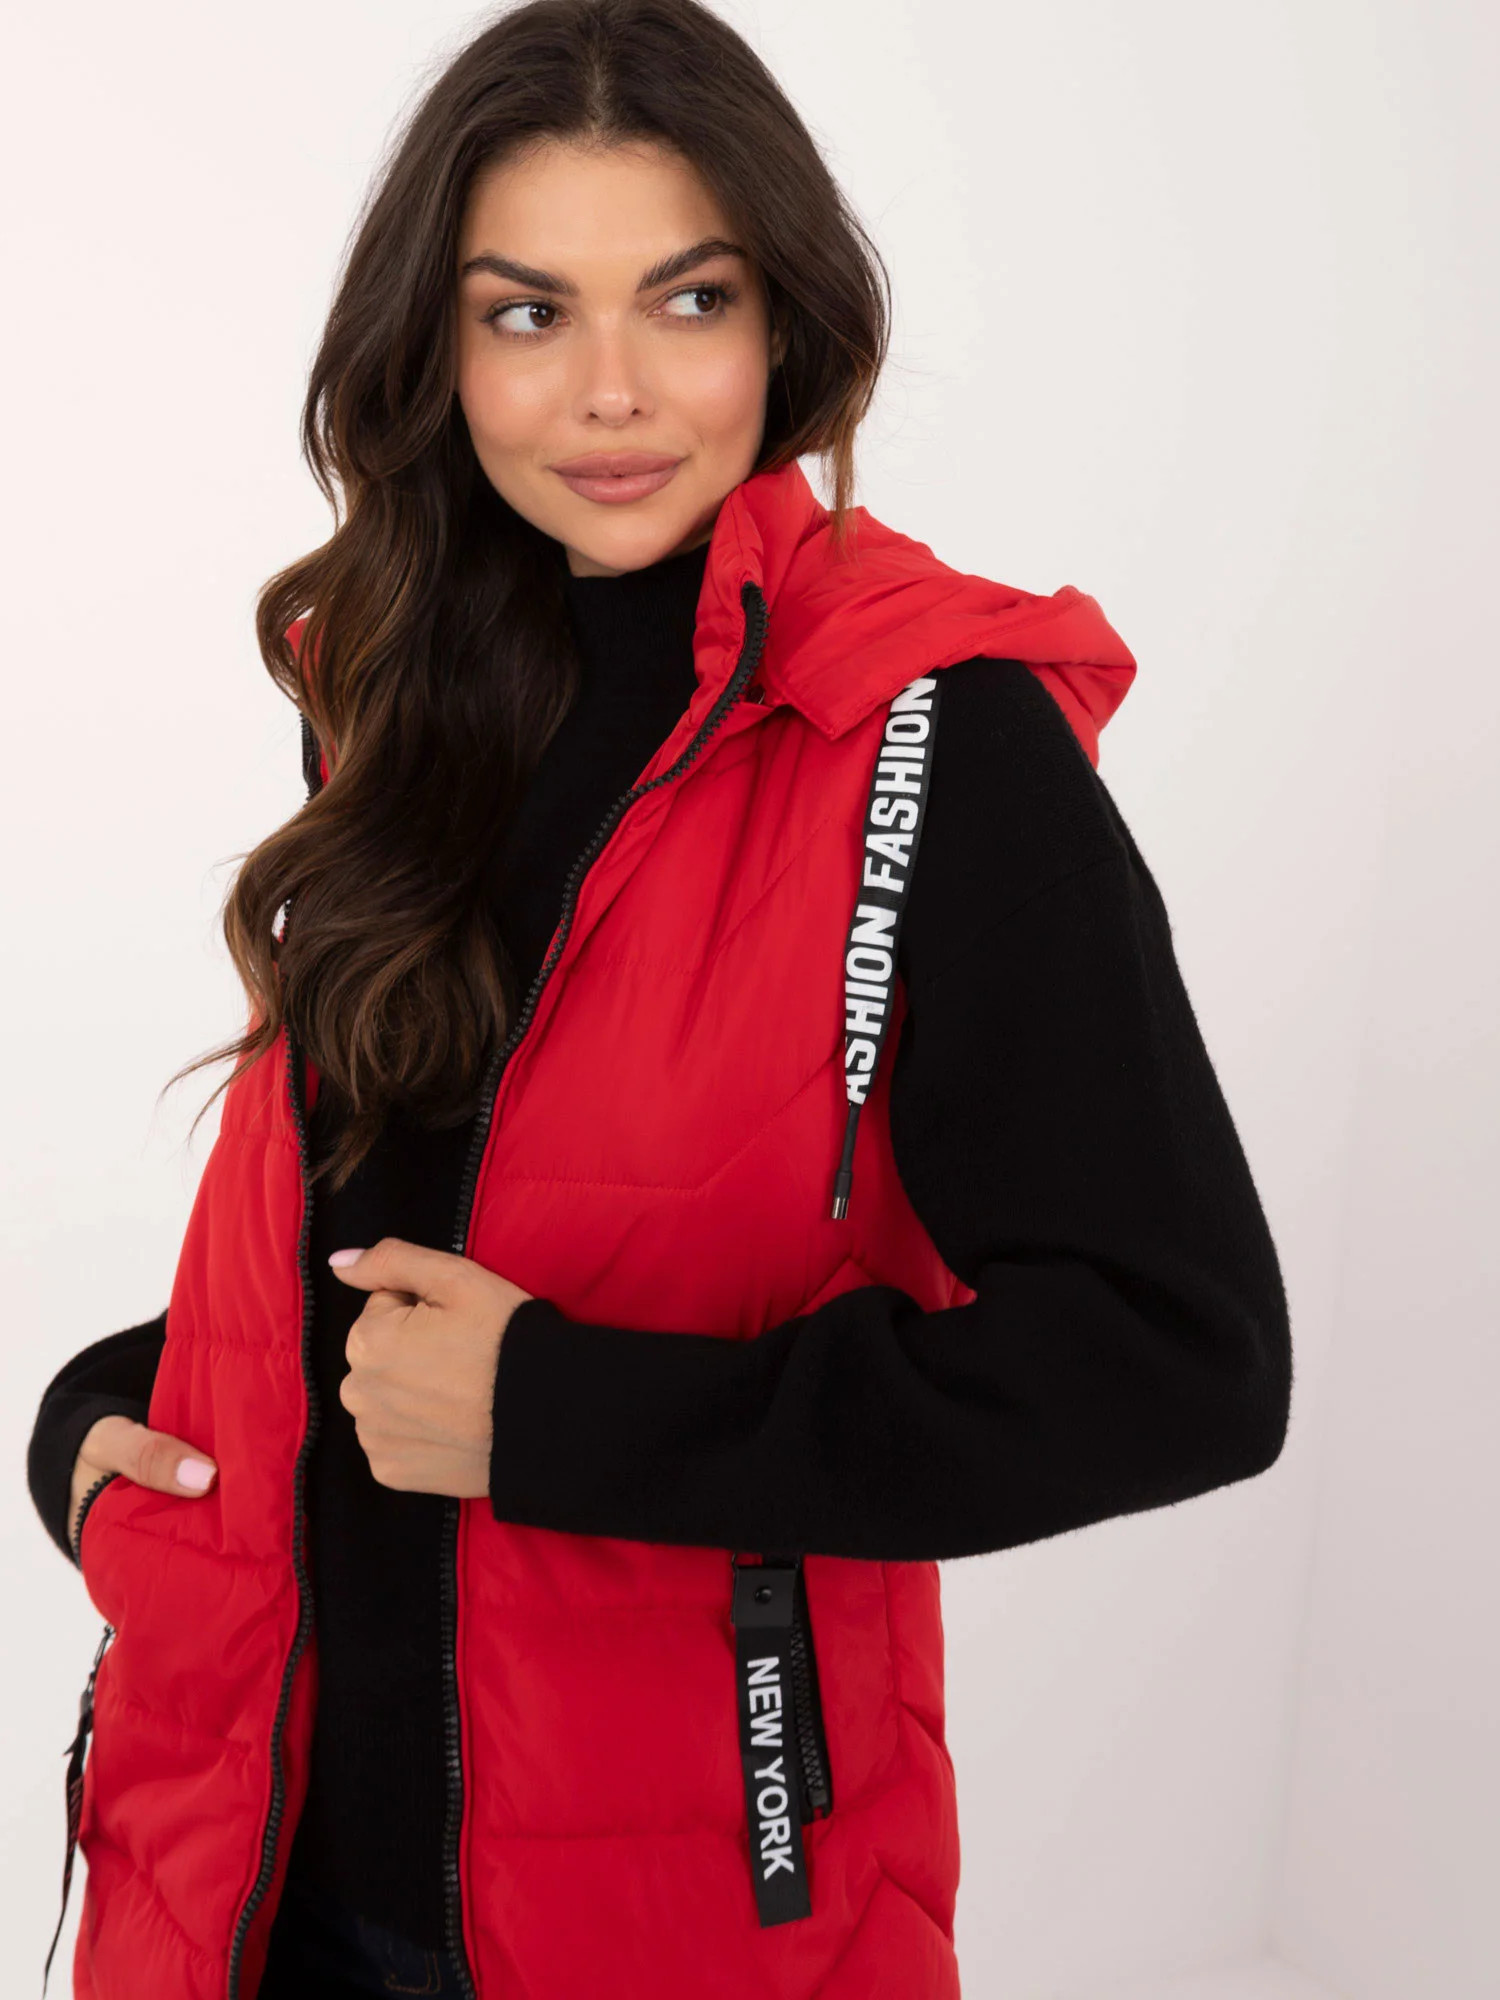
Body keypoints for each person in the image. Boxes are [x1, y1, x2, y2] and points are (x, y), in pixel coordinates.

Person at [28, 2, 1293, 1995]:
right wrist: (113, 1415)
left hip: (681, 1909)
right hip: (242, 1873)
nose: (610, 392)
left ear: (786, 322)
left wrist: (559, 1416)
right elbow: (405, 1235)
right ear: (438, 349)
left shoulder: (929, 737)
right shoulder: (399, 696)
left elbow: (1177, 1358)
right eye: (528, 314)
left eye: (688, 300)